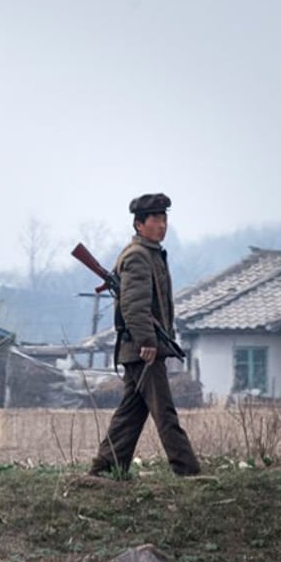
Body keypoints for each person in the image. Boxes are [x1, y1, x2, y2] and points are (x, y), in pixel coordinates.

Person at [89, 193, 200, 477]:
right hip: (142, 349)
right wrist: (148, 342)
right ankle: (188, 472)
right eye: (156, 219)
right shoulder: (138, 257)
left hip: (138, 348)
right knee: (165, 413)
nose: (162, 225)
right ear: (139, 225)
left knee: (131, 413)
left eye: (164, 219)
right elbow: (134, 306)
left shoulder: (148, 253)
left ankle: (105, 468)